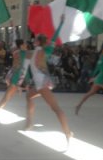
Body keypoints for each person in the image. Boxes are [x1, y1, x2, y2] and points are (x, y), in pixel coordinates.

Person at [25, 15, 73, 143]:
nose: (33, 40)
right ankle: (29, 123)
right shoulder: (35, 51)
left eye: (35, 39)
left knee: (56, 109)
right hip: (40, 84)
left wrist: (61, 23)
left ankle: (67, 132)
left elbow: (54, 38)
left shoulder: (45, 50)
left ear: (38, 42)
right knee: (29, 96)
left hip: (43, 83)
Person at [0, 38, 28, 117]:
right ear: (21, 45)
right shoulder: (22, 53)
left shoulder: (17, 52)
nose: (26, 45)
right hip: (15, 76)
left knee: (8, 96)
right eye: (25, 44)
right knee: (7, 97)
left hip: (14, 75)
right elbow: (18, 67)